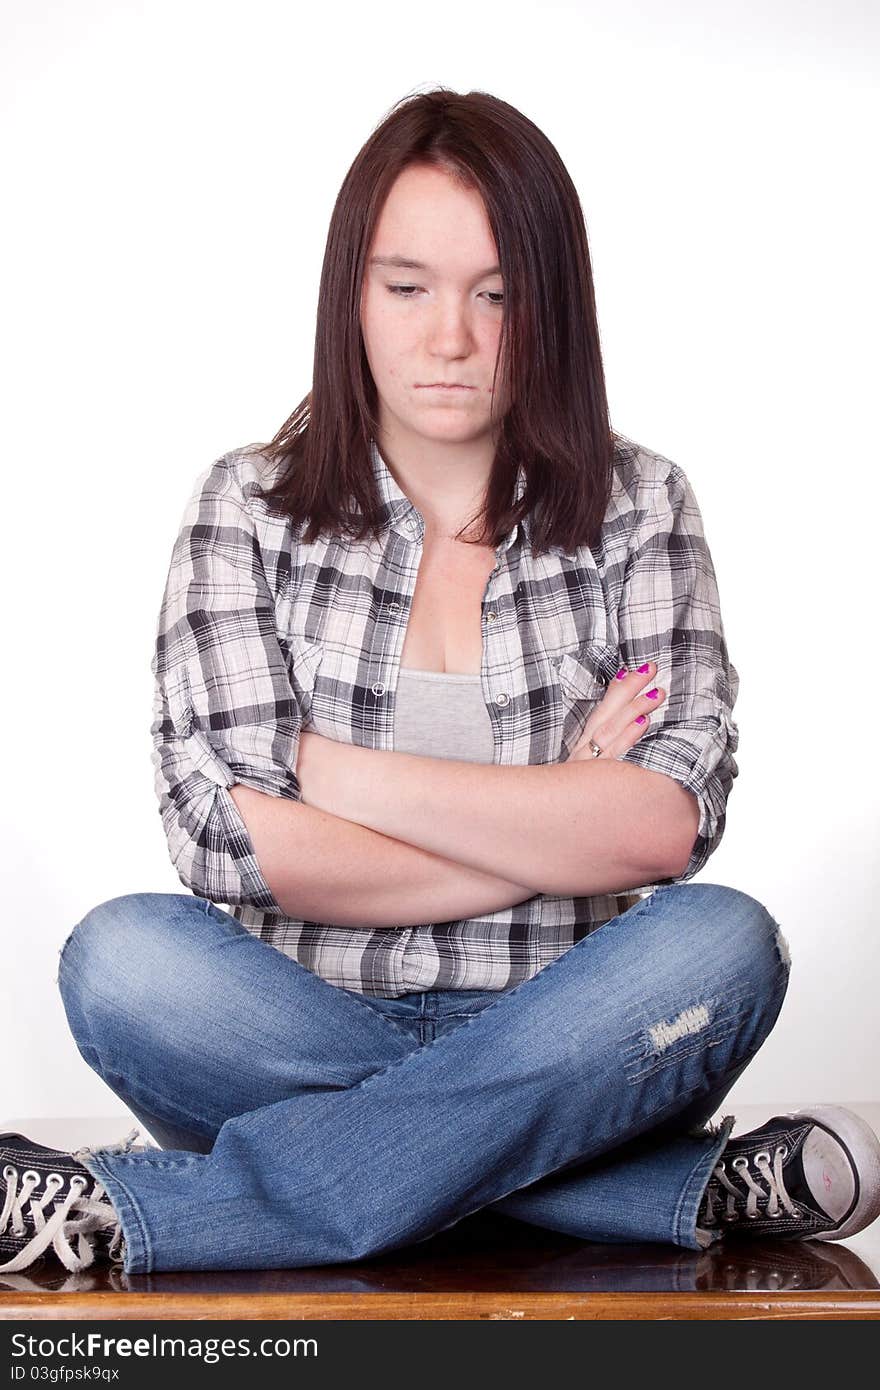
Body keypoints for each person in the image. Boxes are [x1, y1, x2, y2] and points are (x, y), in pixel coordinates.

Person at [2, 87, 878, 1279]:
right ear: (351, 296)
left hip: (581, 1025)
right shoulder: (244, 508)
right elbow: (222, 841)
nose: (450, 337)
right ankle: (651, 1188)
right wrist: (560, 806)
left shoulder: (641, 507)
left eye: (498, 294)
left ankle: (129, 1215)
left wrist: (328, 771)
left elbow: (665, 825)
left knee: (720, 944)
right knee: (122, 959)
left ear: (550, 305)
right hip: (292, 1025)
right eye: (406, 286)